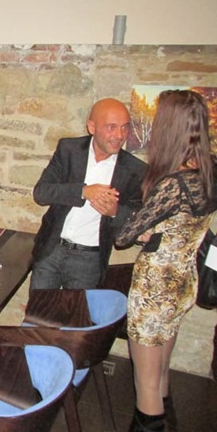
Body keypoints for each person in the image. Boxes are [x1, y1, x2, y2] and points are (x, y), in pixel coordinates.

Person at [116, 90, 216, 432]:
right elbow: (186, 223)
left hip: (155, 287)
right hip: (183, 281)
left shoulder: (173, 184)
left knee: (144, 381)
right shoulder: (210, 169)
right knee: (160, 371)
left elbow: (125, 236)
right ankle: (164, 424)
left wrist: (142, 229)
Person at [30, 98, 147, 290]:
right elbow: (41, 192)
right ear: (92, 127)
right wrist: (83, 191)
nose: (119, 135)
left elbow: (139, 217)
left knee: (79, 310)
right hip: (51, 250)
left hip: (89, 260)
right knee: (40, 308)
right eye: (111, 127)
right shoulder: (69, 150)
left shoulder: (135, 170)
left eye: (125, 128)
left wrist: (115, 212)